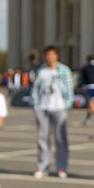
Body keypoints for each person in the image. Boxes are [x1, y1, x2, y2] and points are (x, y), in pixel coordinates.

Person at [31, 45, 73, 179]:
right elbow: (36, 89)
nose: (49, 57)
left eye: (51, 55)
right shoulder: (41, 71)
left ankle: (61, 167)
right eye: (47, 55)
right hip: (43, 107)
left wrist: (67, 104)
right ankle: (43, 166)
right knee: (43, 138)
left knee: (60, 139)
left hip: (59, 107)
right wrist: (36, 105)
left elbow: (69, 90)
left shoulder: (64, 70)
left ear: (57, 56)